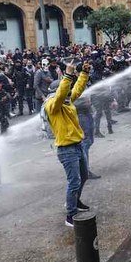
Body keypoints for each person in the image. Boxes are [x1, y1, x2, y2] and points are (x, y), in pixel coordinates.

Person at [43, 60, 91, 227]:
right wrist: (68, 75)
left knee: (83, 176)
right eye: (64, 92)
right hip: (66, 149)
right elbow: (62, 93)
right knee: (74, 181)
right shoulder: (52, 105)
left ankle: (75, 202)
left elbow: (76, 90)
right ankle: (70, 215)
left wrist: (83, 74)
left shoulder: (66, 101)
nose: (69, 94)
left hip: (78, 145)